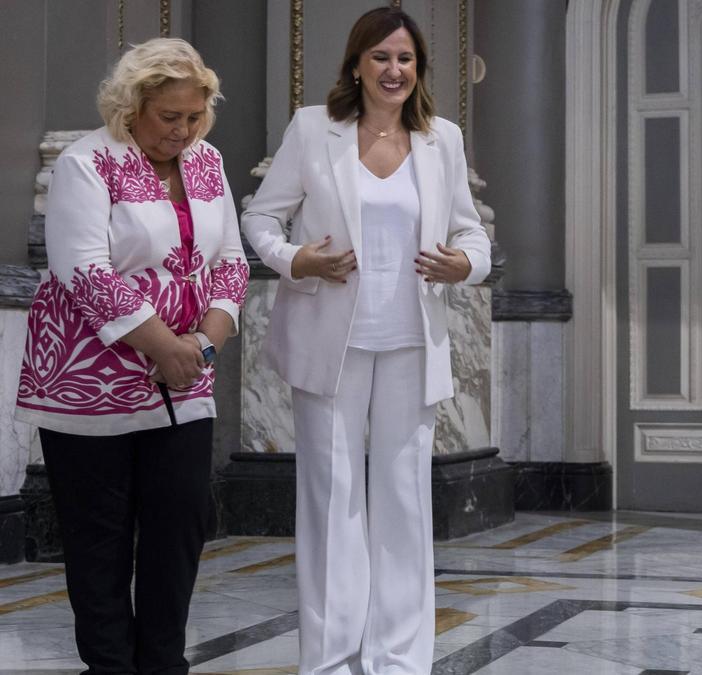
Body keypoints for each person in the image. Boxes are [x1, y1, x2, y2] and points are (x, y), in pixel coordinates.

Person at [241, 7, 491, 675]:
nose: (394, 70)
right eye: (380, 57)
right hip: (329, 342)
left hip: (413, 340)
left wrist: (463, 264)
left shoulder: (443, 139)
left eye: (405, 59)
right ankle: (331, 656)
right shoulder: (312, 130)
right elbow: (260, 218)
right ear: (357, 64)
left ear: (419, 70)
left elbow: (473, 236)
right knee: (331, 496)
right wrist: (299, 259)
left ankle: (402, 658)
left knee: (404, 498)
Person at [16, 38, 248, 674]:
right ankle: (110, 666)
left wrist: (205, 340)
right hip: (90, 381)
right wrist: (164, 345)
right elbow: (82, 270)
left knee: (182, 523)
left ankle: (164, 663)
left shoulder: (208, 161)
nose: (183, 131)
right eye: (169, 117)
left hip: (186, 372)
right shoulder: (87, 163)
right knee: (100, 539)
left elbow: (230, 258)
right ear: (131, 107)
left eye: (194, 116)